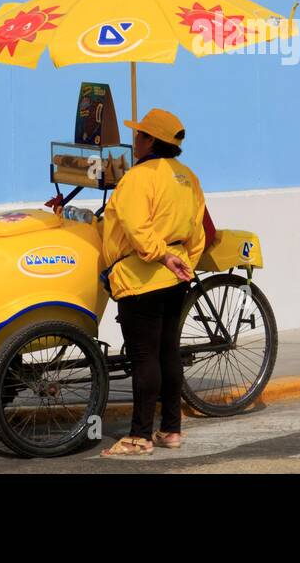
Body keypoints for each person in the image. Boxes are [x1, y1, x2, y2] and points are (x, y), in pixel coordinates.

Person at [99, 108, 206, 457]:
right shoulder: (187, 177)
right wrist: (182, 260)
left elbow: (135, 226)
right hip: (177, 275)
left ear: (150, 141)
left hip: (141, 276)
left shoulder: (138, 177)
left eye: (140, 134)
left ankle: (140, 436)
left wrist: (160, 254)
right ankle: (171, 430)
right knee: (167, 352)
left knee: (145, 357)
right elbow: (197, 228)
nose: (136, 139)